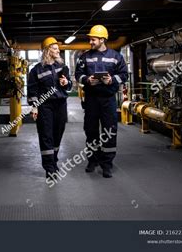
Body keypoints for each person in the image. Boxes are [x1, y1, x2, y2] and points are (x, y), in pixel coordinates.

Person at [74, 25, 128, 178]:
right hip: (91, 99)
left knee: (109, 131)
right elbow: (78, 74)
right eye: (90, 39)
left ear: (102, 39)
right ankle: (92, 160)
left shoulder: (116, 56)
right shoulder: (84, 57)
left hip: (108, 99)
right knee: (90, 130)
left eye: (93, 39)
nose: (90, 42)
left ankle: (107, 164)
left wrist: (112, 80)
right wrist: (86, 79)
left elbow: (124, 75)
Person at [27, 37, 72, 179]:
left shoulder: (62, 67)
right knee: (46, 135)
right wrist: (34, 107)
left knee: (58, 134)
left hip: (60, 104)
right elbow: (32, 91)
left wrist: (66, 83)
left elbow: (69, 86)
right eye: (54, 48)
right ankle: (49, 168)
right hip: (45, 106)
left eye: (58, 48)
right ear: (47, 51)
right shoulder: (36, 70)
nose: (58, 50)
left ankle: (54, 160)